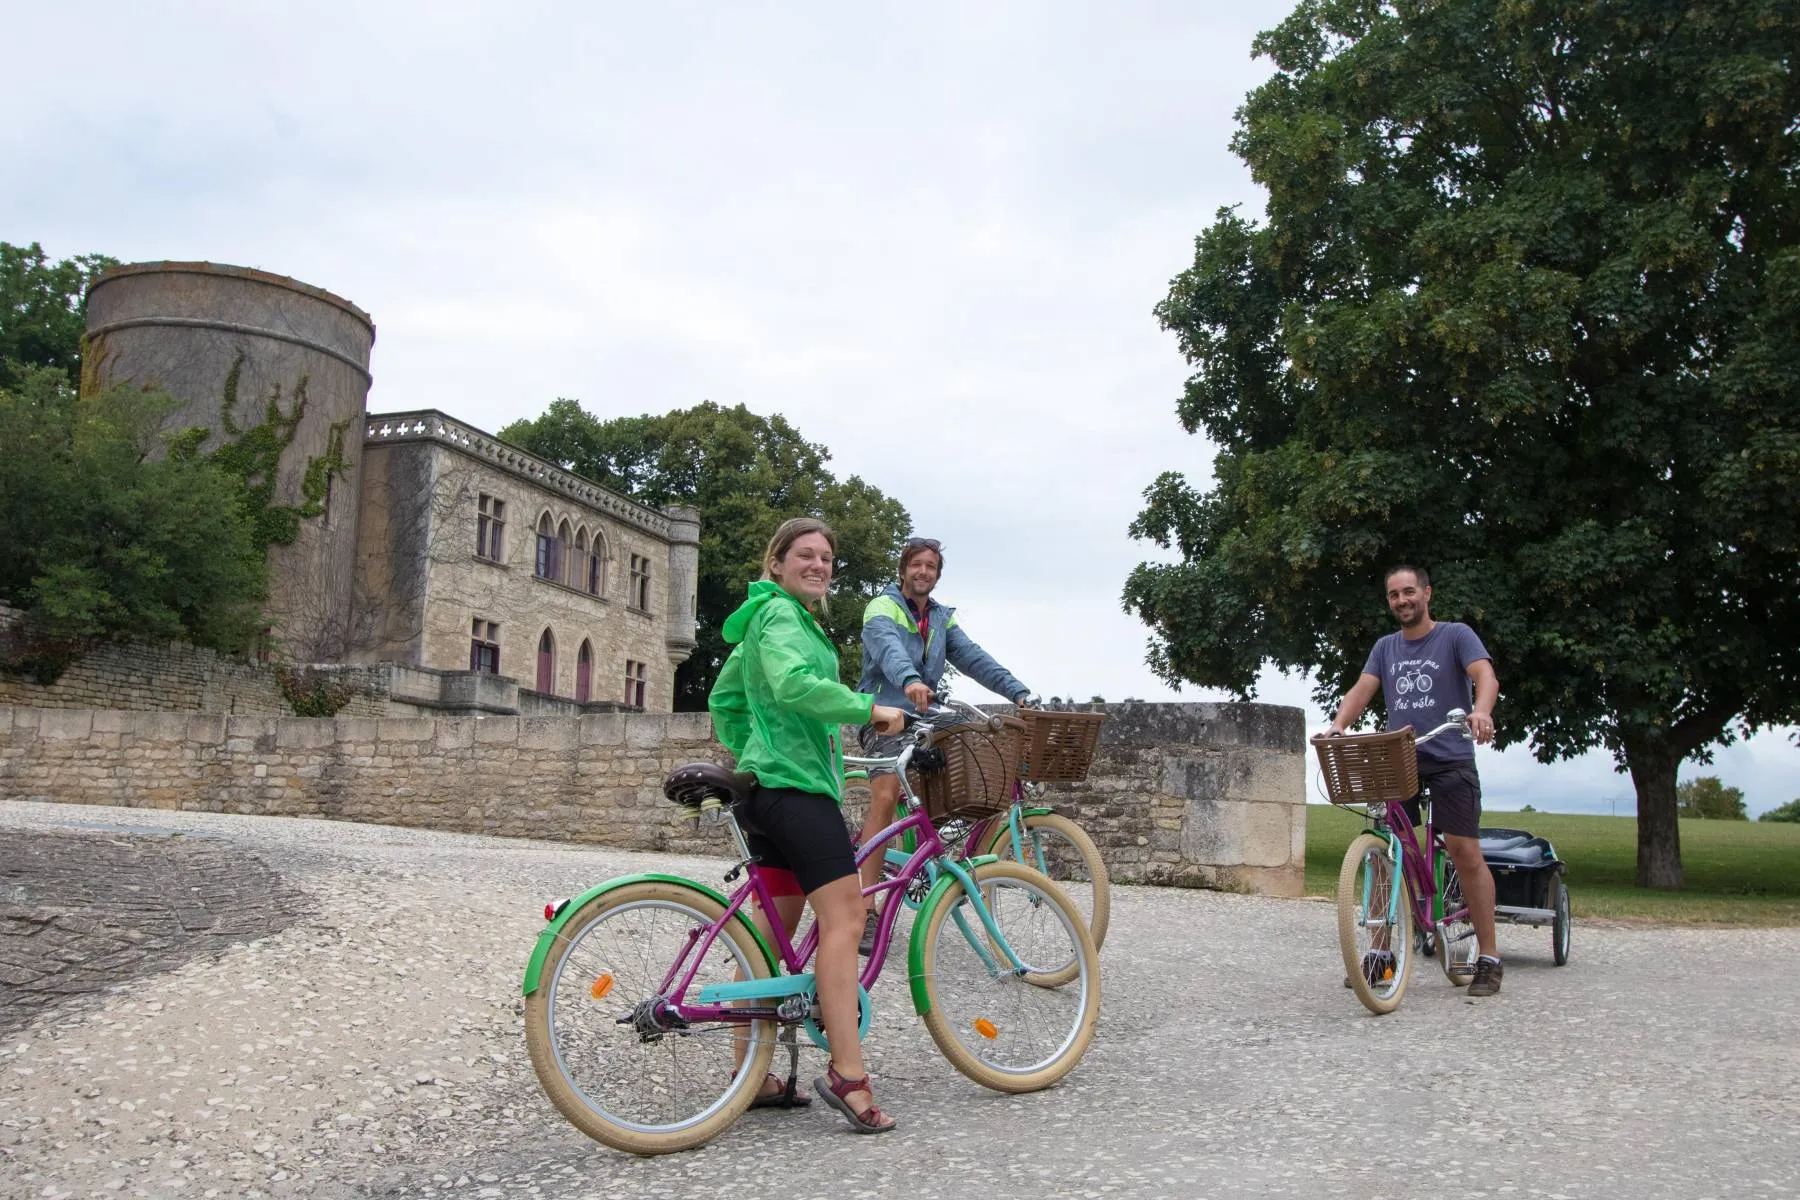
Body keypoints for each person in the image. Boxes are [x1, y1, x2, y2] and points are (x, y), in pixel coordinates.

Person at [709, 517, 908, 1133]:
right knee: (845, 921)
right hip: (796, 793)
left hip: (770, 790)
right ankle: (849, 1075)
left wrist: (756, 751)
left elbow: (725, 699)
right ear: (776, 563)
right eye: (805, 554)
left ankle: (751, 1073)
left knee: (770, 940)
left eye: (826, 557)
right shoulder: (779, 616)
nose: (819, 564)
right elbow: (796, 687)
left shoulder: (770, 619)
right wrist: (868, 708)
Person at [1327, 565, 1505, 997]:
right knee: (1385, 852)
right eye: (1394, 595)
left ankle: (1489, 957)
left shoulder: (1456, 636)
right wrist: (1338, 725)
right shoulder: (1385, 648)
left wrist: (1481, 710)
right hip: (1399, 759)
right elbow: (1362, 689)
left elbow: (1485, 676)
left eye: (1409, 592)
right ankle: (1381, 956)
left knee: (1464, 850)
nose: (1402, 600)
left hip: (1450, 757)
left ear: (1427, 593)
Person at [854, 536, 1031, 952]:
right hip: (885, 714)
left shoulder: (940, 619)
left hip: (925, 716)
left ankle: (949, 864)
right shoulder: (882, 608)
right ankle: (864, 908)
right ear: (903, 570)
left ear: (937, 575)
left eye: (931, 566)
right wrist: (910, 681)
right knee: (886, 795)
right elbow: (888, 650)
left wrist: (1018, 692)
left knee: (981, 767)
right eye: (916, 564)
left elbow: (974, 657)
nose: (923, 572)